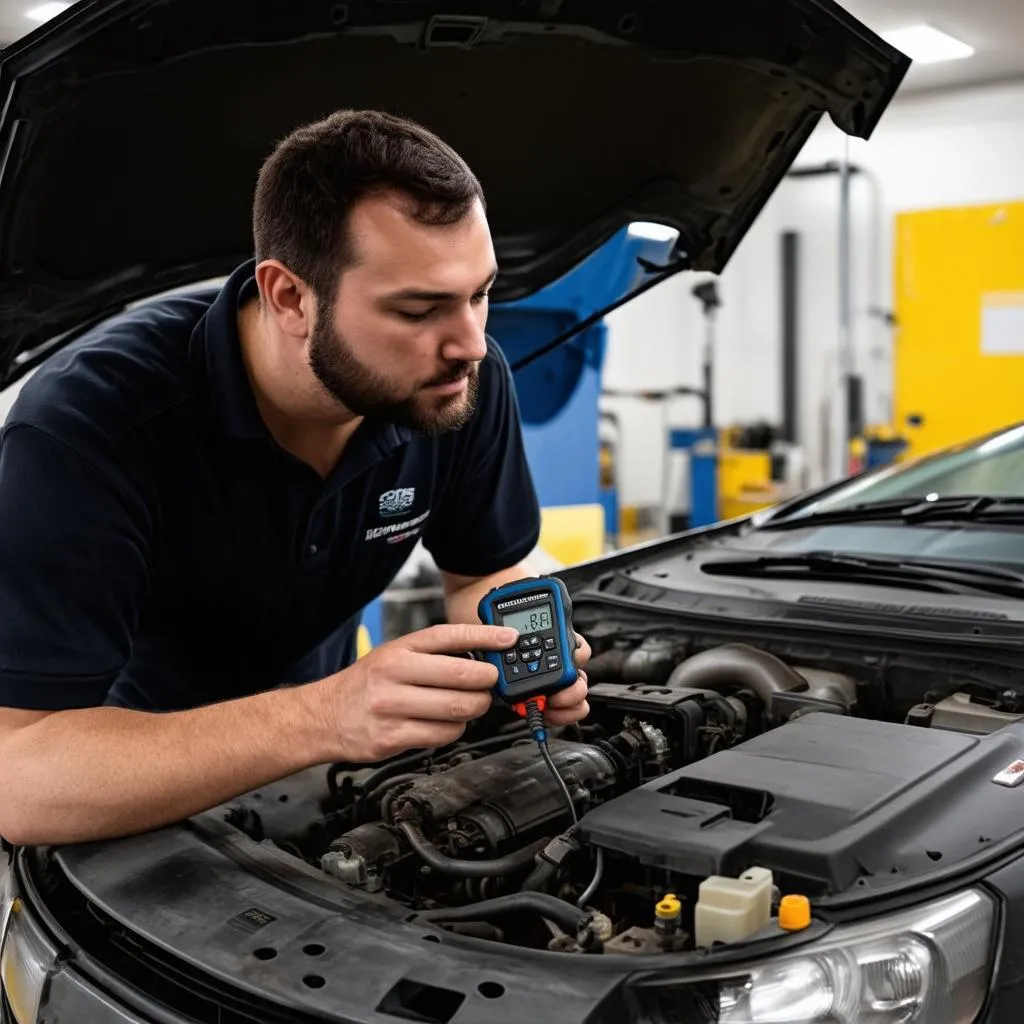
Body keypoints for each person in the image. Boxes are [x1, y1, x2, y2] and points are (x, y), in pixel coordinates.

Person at [0, 109, 590, 847]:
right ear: (290, 298)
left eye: (479, 293)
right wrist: (327, 714)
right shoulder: (89, 427)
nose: (470, 344)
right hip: (118, 798)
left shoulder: (457, 386)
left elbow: (484, 571)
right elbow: (21, 777)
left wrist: (518, 648)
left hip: (319, 777)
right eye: (418, 308)